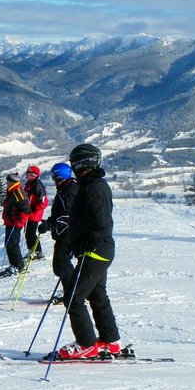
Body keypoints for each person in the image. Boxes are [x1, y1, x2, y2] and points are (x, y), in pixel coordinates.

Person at [52, 144, 122, 360]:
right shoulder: (93, 185)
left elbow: (99, 222)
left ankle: (86, 344)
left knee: (73, 298)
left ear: (83, 163)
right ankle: (110, 341)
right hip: (100, 250)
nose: (72, 166)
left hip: (95, 251)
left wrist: (85, 243)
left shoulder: (91, 188)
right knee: (97, 295)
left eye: (74, 163)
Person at [38, 163, 78, 301]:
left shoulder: (68, 191)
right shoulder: (67, 188)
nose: (53, 180)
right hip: (67, 232)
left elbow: (68, 215)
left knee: (61, 265)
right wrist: (49, 222)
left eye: (54, 177)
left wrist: (51, 225)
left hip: (68, 234)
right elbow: (60, 213)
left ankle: (73, 293)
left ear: (61, 176)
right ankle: (71, 292)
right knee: (62, 264)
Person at [0, 172, 31, 277]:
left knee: (13, 244)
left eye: (8, 181)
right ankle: (13, 264)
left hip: (15, 223)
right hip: (10, 222)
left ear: (11, 182)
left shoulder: (17, 192)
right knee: (9, 244)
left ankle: (19, 266)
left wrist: (20, 221)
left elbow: (26, 209)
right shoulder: (12, 192)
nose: (6, 183)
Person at [23, 165, 48, 260]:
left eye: (28, 173)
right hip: (29, 212)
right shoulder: (30, 184)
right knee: (28, 233)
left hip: (34, 214)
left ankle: (38, 252)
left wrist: (33, 208)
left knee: (31, 233)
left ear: (34, 175)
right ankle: (31, 251)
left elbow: (43, 202)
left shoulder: (37, 185)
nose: (26, 174)